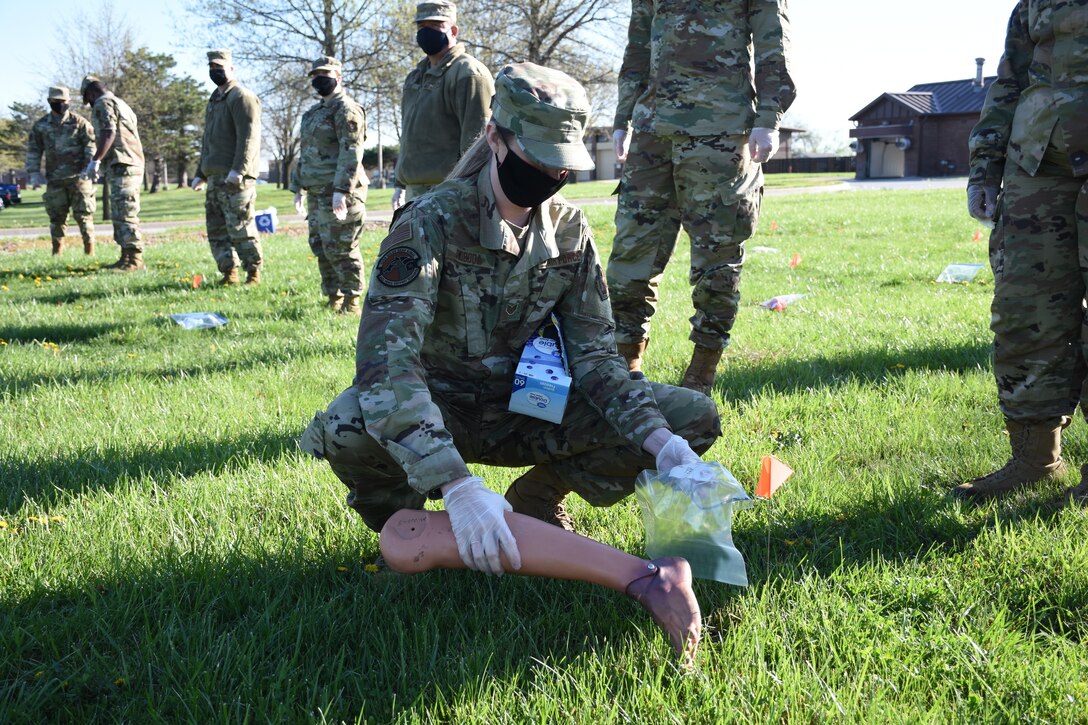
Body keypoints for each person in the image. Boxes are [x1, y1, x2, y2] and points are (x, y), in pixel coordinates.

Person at [300, 63, 721, 660]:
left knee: (688, 417)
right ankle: (415, 529)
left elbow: (598, 360)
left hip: (528, 407)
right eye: (539, 156)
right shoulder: (429, 222)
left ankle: (537, 501)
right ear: (496, 139)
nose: (550, 174)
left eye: (561, 162)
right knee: (347, 427)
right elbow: (385, 367)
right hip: (438, 410)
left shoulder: (569, 233)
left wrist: (663, 445)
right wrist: (455, 483)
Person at [607, 0, 796, 394]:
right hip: (651, 130)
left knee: (716, 263)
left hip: (721, 130)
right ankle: (625, 370)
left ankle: (701, 374)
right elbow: (638, 43)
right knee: (630, 255)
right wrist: (623, 117)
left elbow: (772, 42)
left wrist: (768, 119)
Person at [954, 0, 1088, 505]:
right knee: (1024, 312)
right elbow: (1009, 78)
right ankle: (1035, 460)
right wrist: (985, 166)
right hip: (1037, 164)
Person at [391, 0, 493, 209]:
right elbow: (410, 135)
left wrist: (468, 192)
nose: (426, 32)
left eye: (435, 26)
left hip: (450, 193)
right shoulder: (415, 77)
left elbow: (479, 142)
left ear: (454, 30)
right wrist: (400, 183)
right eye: (421, 26)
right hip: (415, 192)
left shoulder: (467, 73)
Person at [290, 56, 368, 314]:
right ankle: (333, 295)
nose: (319, 79)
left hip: (340, 193)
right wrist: (297, 188)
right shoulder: (312, 114)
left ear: (338, 76)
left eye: (325, 74)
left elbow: (351, 152)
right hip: (315, 193)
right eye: (315, 75)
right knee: (321, 247)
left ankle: (352, 299)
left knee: (343, 247)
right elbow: (305, 153)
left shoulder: (347, 110)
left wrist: (341, 191)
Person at [191, 49, 264, 286]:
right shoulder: (214, 100)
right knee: (217, 229)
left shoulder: (241, 97)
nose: (215, 72)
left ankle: (253, 272)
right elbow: (208, 140)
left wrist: (239, 170)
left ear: (231, 69)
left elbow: (249, 137)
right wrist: (200, 173)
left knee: (240, 226)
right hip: (214, 177)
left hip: (236, 179)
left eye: (220, 68)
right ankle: (228, 272)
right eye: (211, 68)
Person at [80, 75, 145, 271]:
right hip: (127, 163)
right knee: (119, 211)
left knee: (125, 212)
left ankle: (134, 260)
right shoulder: (121, 103)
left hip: (123, 163)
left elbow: (109, 132)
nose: (90, 104)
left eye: (88, 99)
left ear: (91, 93)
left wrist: (95, 160)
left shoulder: (103, 103)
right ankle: (126, 257)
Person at [25, 86, 97, 256]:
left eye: (63, 101)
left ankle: (89, 253)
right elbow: (34, 150)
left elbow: (90, 145)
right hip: (55, 180)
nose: (60, 105)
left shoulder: (80, 123)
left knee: (84, 216)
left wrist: (89, 166)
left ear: (69, 102)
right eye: (56, 102)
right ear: (50, 102)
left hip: (79, 179)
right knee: (57, 218)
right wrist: (34, 172)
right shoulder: (41, 126)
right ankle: (57, 253)